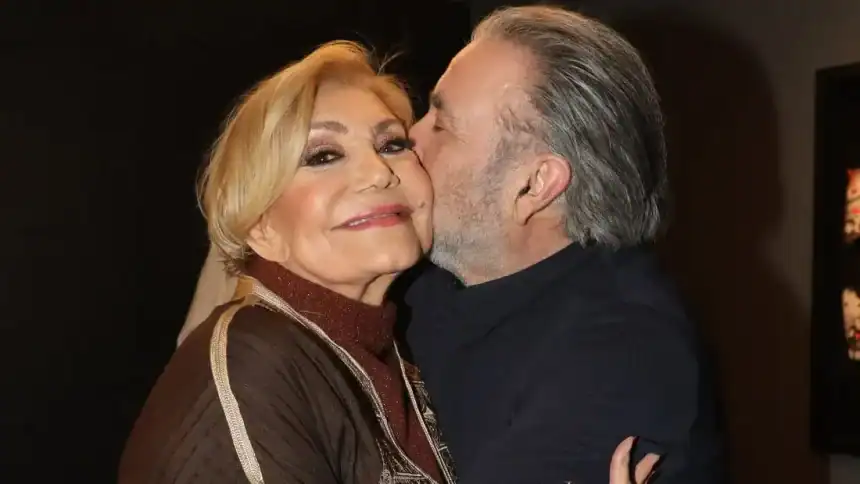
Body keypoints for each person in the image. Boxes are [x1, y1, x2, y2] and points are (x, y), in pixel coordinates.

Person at [121, 40, 656, 483]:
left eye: (393, 144)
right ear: (259, 223)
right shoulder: (254, 365)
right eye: (323, 156)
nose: (379, 173)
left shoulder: (390, 344)